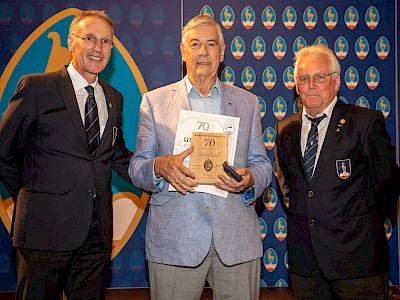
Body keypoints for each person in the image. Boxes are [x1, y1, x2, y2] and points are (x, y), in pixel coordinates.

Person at [129, 15, 272, 299]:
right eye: (195, 44)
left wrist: (251, 178)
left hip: (236, 240)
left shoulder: (248, 102)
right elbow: (137, 168)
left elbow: (263, 164)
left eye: (211, 44)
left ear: (222, 52)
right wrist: (160, 166)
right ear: (183, 51)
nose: (203, 52)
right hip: (175, 241)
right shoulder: (154, 103)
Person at [0, 10, 133, 299]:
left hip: (96, 238)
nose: (98, 48)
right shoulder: (37, 87)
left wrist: (157, 168)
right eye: (90, 38)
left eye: (106, 41)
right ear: (71, 42)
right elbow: (3, 152)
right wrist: (31, 195)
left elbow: (115, 153)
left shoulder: (114, 99)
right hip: (43, 232)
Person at [274, 44, 400, 299]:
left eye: (319, 77)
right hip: (306, 264)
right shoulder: (285, 129)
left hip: (357, 261)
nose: (311, 84)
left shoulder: (364, 123)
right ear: (296, 85)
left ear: (336, 82)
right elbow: (289, 188)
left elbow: (387, 183)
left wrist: (361, 224)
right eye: (303, 78)